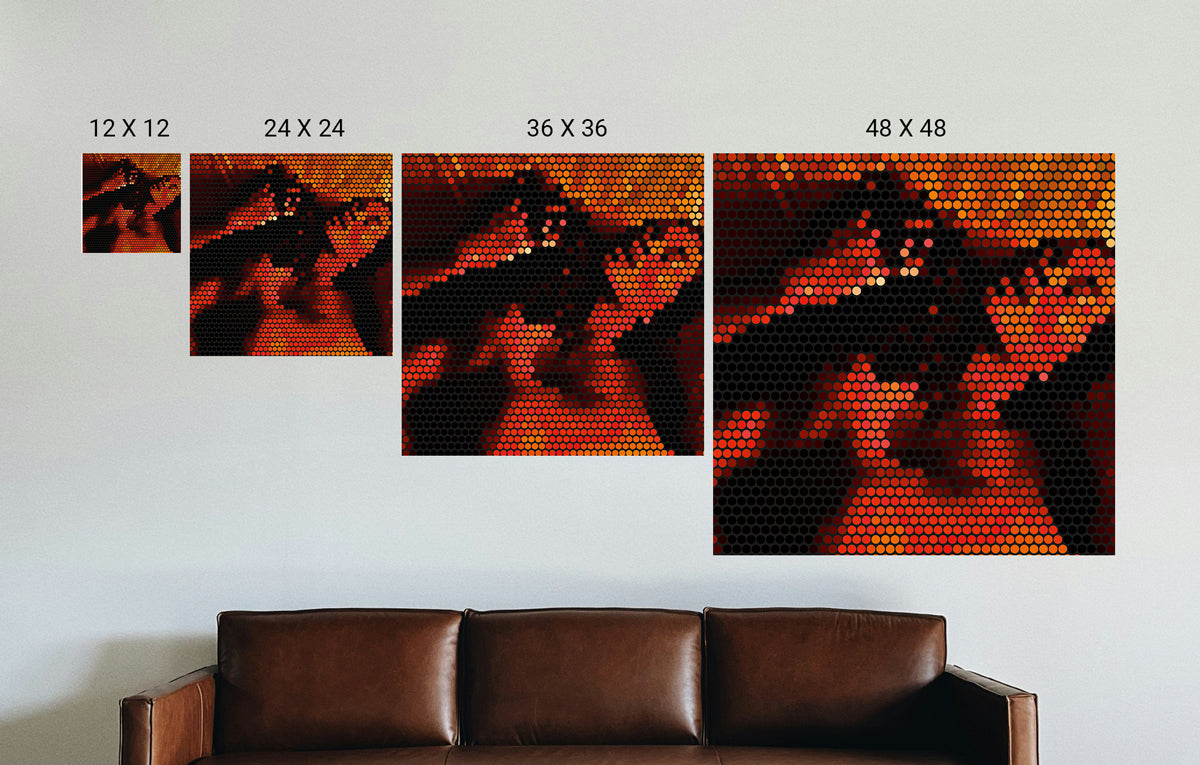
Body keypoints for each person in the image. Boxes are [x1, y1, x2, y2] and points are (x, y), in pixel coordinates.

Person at [713, 160, 1115, 553]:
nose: (1048, 271)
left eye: (1085, 287)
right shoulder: (928, 282)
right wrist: (790, 292)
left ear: (1070, 350)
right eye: (1057, 256)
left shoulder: (1006, 481)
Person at [402, 171, 703, 455]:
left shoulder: (630, 387)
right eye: (657, 231)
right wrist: (465, 255)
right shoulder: (555, 262)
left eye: (674, 255)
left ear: (666, 301)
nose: (651, 243)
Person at [190, 165, 392, 356]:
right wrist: (232, 221)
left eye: (371, 222)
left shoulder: (340, 314)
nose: (356, 213)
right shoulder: (292, 221)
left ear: (367, 255)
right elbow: (194, 253)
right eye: (360, 204)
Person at [83, 159, 180, 253]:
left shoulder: (155, 233)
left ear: (170, 203)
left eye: (172, 187)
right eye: (166, 179)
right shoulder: (121, 202)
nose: (165, 182)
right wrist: (103, 187)